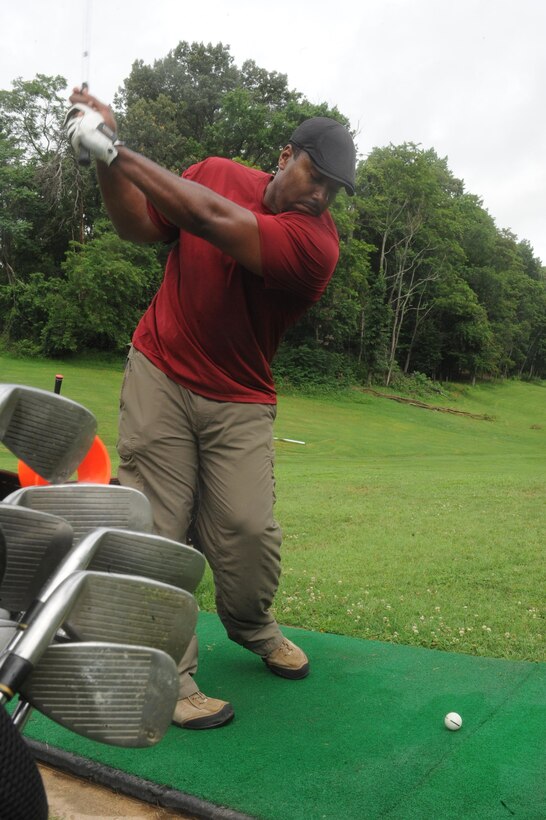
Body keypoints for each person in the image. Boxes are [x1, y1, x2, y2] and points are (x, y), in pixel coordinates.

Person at [65, 90, 357, 730]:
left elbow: (210, 221)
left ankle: (252, 625)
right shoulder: (217, 170)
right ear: (286, 156)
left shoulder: (315, 246)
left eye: (334, 191)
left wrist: (115, 147)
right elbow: (139, 223)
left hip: (241, 396)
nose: (321, 198)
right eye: (317, 177)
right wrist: (106, 164)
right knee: (156, 527)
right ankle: (168, 673)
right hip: (161, 370)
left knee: (247, 532)